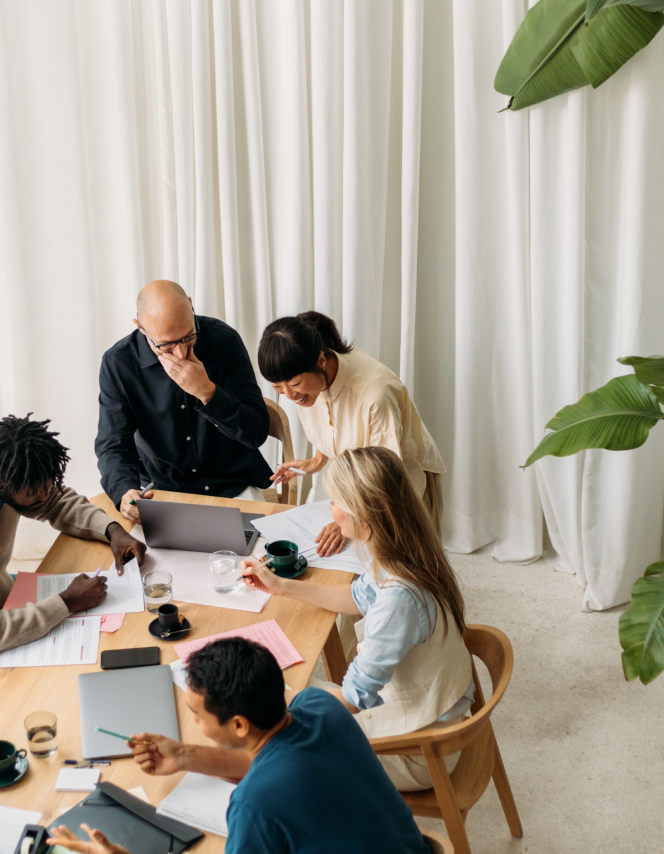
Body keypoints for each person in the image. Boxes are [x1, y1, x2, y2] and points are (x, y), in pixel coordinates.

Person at [48, 637, 432, 854]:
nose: (193, 724)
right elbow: (277, 762)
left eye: (196, 715)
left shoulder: (254, 805)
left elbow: (270, 780)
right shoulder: (320, 705)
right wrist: (185, 756)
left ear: (238, 724)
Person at [243, 446, 474, 792]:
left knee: (270, 740)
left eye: (333, 502)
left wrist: (278, 702)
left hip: (420, 750)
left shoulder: (399, 599)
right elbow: (355, 597)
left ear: (363, 518)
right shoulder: (406, 553)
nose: (329, 511)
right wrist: (281, 587)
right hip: (428, 712)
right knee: (287, 688)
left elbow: (353, 699)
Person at [258, 310, 445, 555]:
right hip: (360, 487)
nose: (289, 395)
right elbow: (330, 422)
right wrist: (316, 461)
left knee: (411, 570)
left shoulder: (374, 396)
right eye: (277, 387)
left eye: (294, 384)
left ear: (320, 361)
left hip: (402, 484)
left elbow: (386, 474)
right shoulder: (309, 385)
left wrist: (344, 519)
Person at [95, 280, 273, 523]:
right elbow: (113, 444)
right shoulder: (119, 363)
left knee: (253, 557)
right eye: (166, 345)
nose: (180, 353)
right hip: (163, 492)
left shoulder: (224, 340)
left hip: (235, 486)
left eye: (189, 337)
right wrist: (123, 493)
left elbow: (256, 432)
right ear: (140, 328)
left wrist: (208, 393)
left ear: (191, 306)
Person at [0, 414, 144, 652]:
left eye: (47, 485)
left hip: (8, 591)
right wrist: (66, 602)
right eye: (35, 491)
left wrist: (113, 530)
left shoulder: (14, 474)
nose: (44, 496)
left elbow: (58, 501)